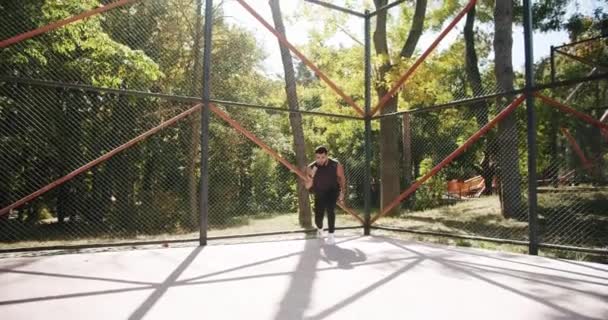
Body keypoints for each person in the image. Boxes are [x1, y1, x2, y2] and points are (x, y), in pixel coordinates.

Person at [305, 146, 346, 245]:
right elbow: (307, 186)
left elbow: (342, 178)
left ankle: (331, 235)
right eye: (318, 157)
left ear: (327, 156)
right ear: (315, 157)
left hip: (332, 191)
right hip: (319, 192)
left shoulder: (335, 165)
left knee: (330, 209)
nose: (320, 160)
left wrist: (342, 192)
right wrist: (310, 179)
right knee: (318, 216)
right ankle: (320, 229)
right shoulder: (311, 167)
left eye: (322, 157)